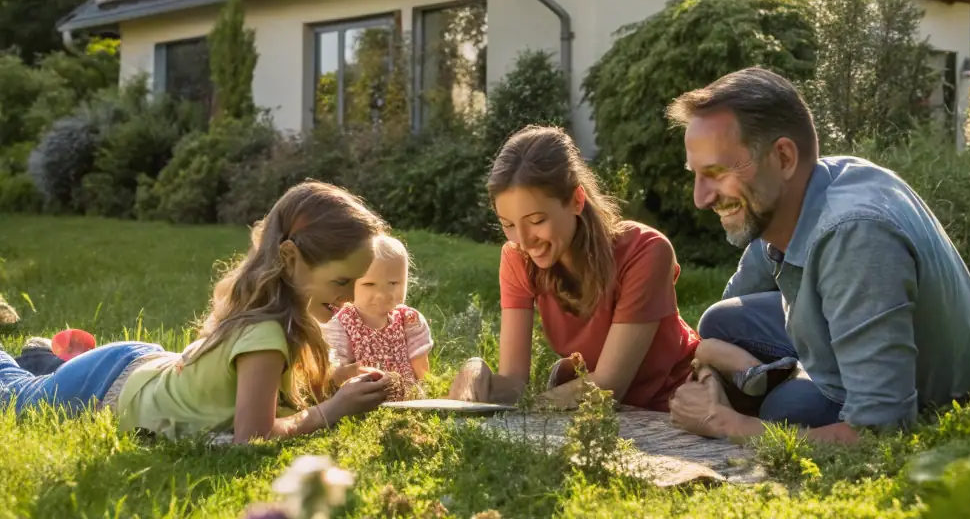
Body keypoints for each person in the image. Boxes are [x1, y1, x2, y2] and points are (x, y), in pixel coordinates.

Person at [667, 68, 970, 444]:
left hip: (929, 390)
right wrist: (709, 370)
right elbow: (723, 322)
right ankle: (776, 372)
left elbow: (879, 428)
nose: (700, 198)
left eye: (717, 172)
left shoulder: (855, 234)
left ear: (784, 157)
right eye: (697, 174)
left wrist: (724, 421)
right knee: (718, 324)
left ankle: (785, 378)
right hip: (839, 322)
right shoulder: (786, 199)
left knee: (786, 412)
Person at [0, 182, 391, 441]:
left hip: (142, 367)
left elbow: (268, 391)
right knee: (16, 396)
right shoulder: (267, 335)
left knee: (42, 382)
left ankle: (43, 359)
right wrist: (335, 409)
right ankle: (38, 364)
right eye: (342, 283)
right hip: (112, 385)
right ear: (290, 260)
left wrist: (338, 380)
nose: (350, 298)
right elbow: (252, 438)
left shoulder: (283, 316)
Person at [449, 125, 700, 410]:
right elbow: (515, 383)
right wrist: (476, 372)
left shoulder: (645, 251)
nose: (524, 240)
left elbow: (609, 385)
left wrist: (535, 408)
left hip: (681, 401)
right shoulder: (517, 258)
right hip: (600, 415)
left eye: (536, 221)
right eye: (508, 225)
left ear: (577, 200)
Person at [323, 234, 432, 399]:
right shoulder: (343, 323)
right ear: (349, 284)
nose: (381, 294)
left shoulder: (409, 320)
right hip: (364, 402)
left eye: (393, 283)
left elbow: (422, 370)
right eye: (369, 284)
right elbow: (335, 371)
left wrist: (428, 395)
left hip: (409, 401)